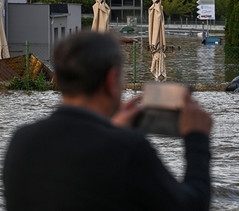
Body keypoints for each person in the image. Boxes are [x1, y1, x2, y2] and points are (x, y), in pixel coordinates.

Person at [3, 31, 212, 210]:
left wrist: (110, 128)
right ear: (112, 80)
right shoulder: (127, 149)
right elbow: (190, 205)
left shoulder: (21, 140)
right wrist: (197, 138)